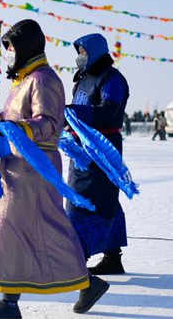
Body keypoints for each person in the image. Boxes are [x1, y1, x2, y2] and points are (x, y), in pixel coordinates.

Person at [0, 19, 107, 319]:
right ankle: (16, 300)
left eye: (9, 47)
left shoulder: (44, 80)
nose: (7, 54)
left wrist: (13, 128)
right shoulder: (23, 81)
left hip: (36, 169)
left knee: (41, 230)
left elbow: (48, 123)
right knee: (14, 233)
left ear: (25, 46)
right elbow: (13, 120)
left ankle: (13, 303)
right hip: (16, 168)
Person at [65, 34, 130, 276]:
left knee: (90, 201)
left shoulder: (112, 79)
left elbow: (110, 112)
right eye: (78, 51)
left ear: (95, 51)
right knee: (101, 201)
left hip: (102, 148)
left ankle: (76, 256)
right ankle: (112, 256)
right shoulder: (82, 80)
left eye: (83, 51)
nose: (80, 56)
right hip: (81, 149)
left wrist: (74, 113)